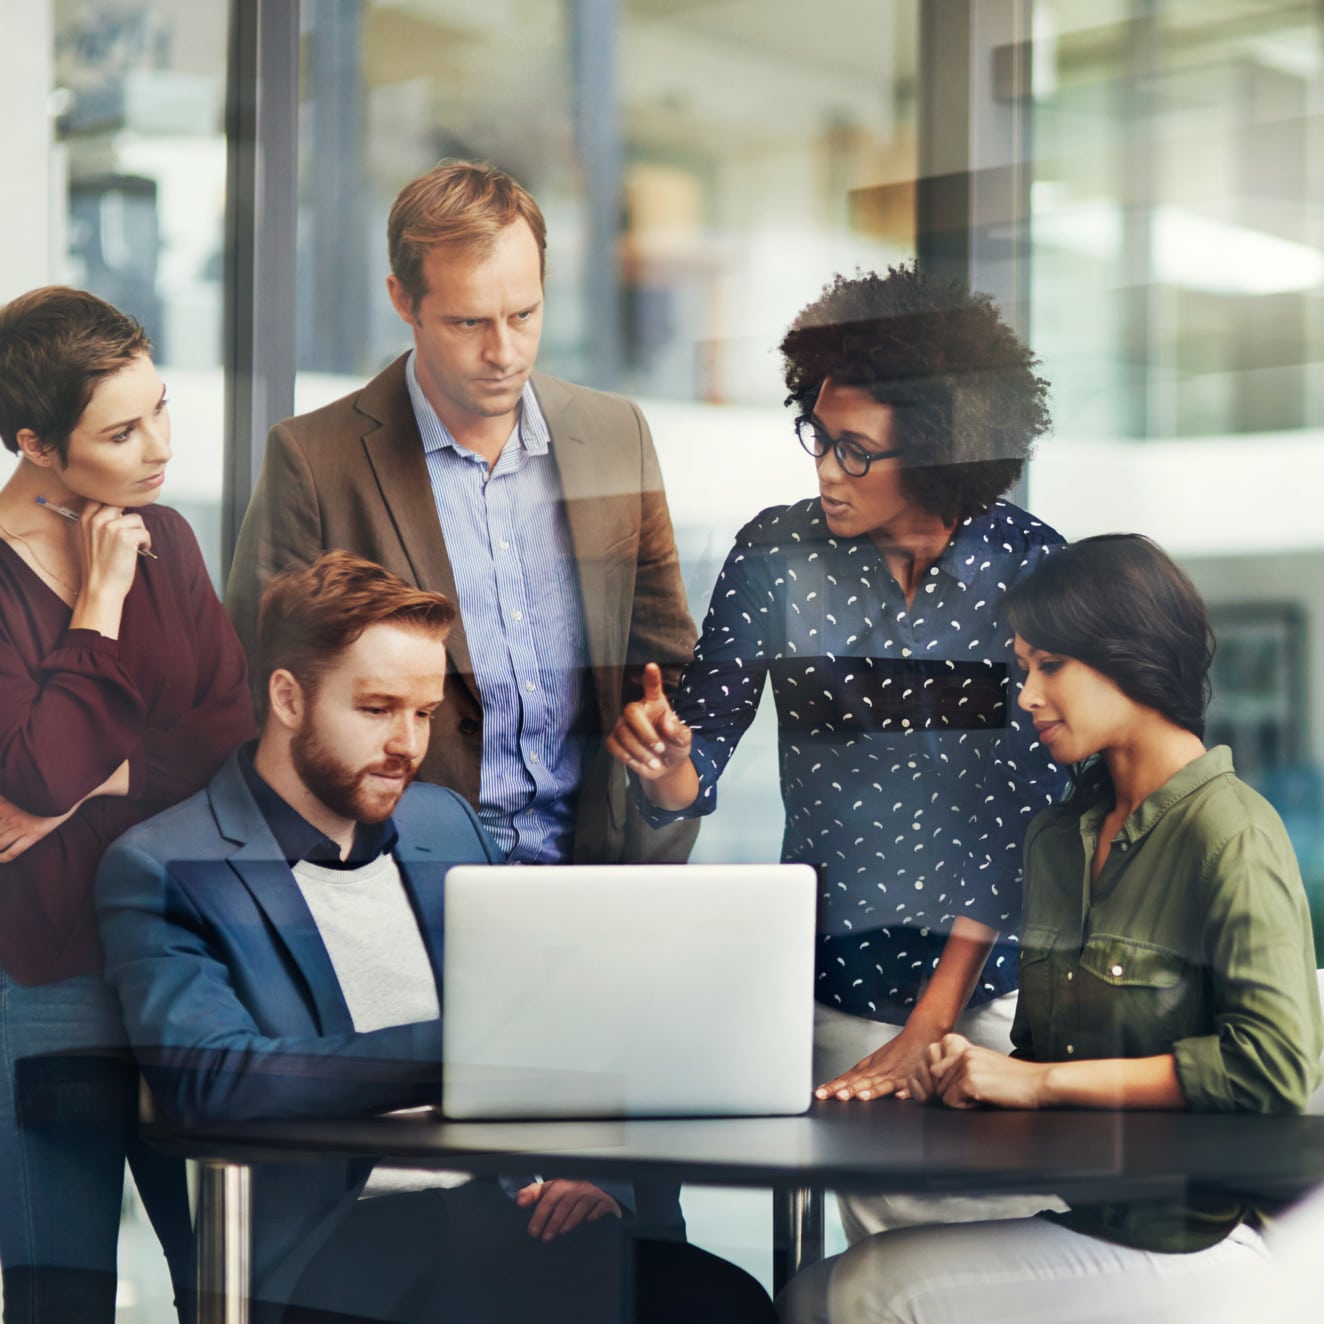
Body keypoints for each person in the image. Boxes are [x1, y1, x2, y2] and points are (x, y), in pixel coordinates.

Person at [96, 552, 776, 1324]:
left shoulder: (443, 822)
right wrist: (464, 1055)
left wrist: (590, 1174)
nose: (407, 744)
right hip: (335, 1251)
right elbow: (211, 1080)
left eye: (422, 713)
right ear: (287, 697)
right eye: (378, 708)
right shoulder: (165, 864)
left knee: (725, 1303)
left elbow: (552, 1021)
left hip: (505, 1215)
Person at [607, 264, 1068, 1239]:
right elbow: (703, 754)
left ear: (940, 454)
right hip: (831, 986)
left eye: (856, 452)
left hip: (993, 997)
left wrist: (927, 1030)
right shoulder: (776, 555)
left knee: (990, 1260)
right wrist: (664, 764)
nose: (825, 470)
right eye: (817, 436)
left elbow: (1024, 831)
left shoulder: (1033, 572)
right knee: (872, 1257)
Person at [778, 534, 1324, 1324]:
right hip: (1086, 1216)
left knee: (865, 1293)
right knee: (810, 1292)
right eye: (1023, 668)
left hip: (1196, 1243)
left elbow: (1273, 1069)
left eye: (1050, 666)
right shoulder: (1057, 839)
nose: (1026, 695)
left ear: (1130, 658)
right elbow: (1046, 1059)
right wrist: (969, 1074)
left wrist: (1032, 1082)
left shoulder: (1232, 832)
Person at [224, 158, 697, 874]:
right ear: (402, 301)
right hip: (397, 884)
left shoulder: (614, 437)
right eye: (468, 321)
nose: (503, 352)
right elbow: (260, 697)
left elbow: (666, 666)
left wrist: (663, 756)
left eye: (524, 315)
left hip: (594, 878)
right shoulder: (315, 461)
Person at [0, 286, 256, 1320]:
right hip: (42, 978)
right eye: (119, 430)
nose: (156, 448)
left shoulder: (175, 542)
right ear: (36, 445)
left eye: (159, 410)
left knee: (229, 1279)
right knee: (61, 1293)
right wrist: (98, 604)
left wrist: (92, 779)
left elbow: (226, 738)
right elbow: (35, 776)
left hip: (188, 965)